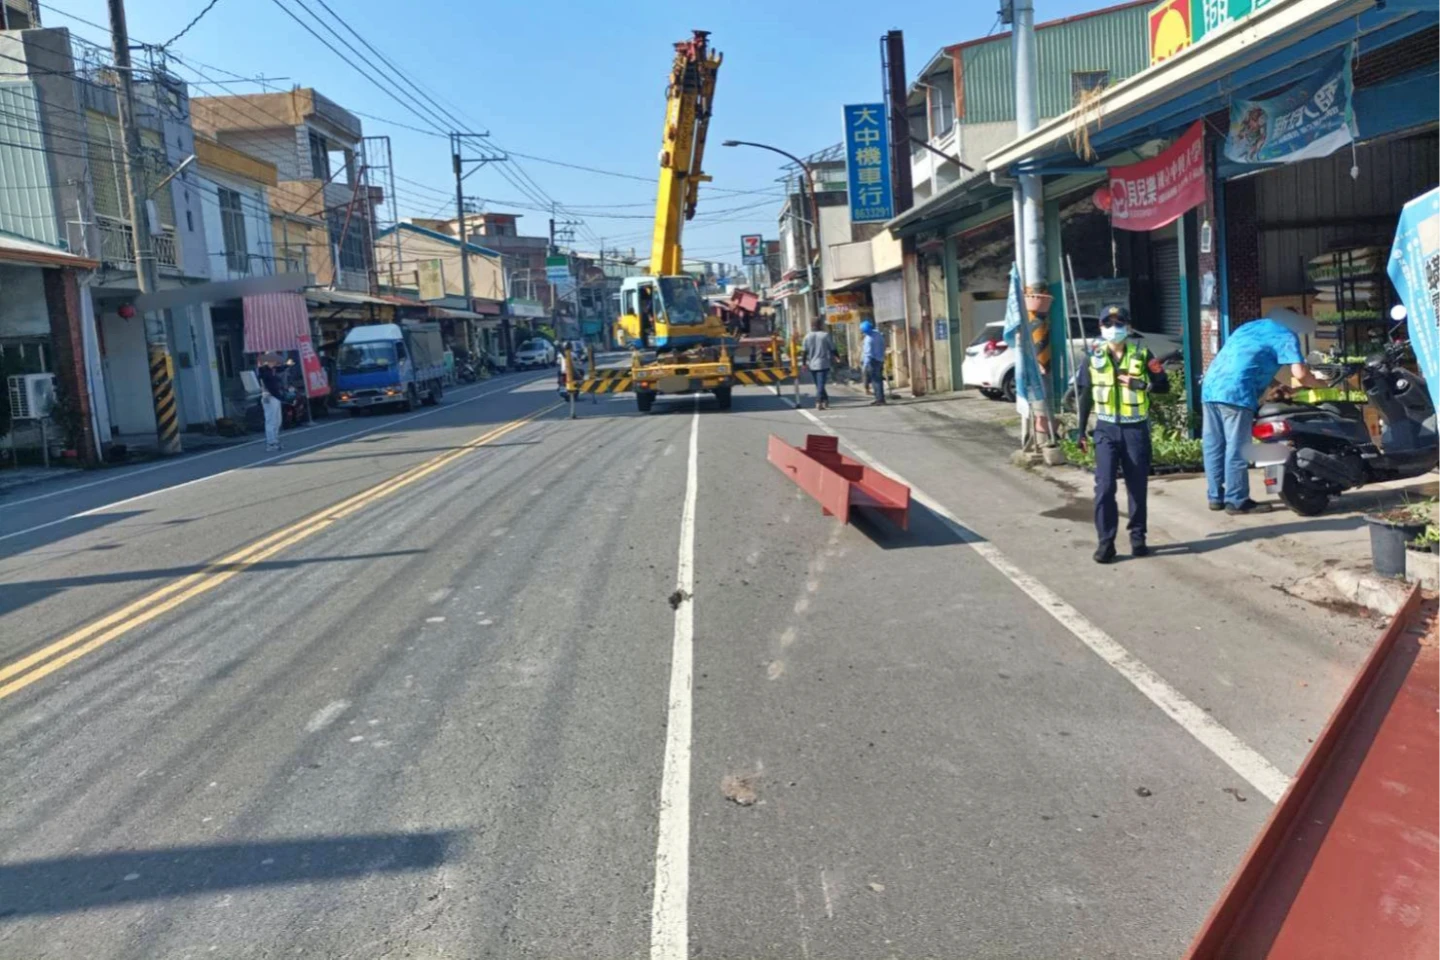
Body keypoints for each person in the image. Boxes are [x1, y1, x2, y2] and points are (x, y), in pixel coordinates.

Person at [1200, 311, 1327, 514]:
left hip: (1211, 388)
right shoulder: (1286, 333)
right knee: (1237, 447)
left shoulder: (1249, 327)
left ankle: (1215, 497)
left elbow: (1247, 363)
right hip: (1236, 393)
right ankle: (1237, 501)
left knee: (1214, 445)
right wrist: (1321, 385)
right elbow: (1301, 374)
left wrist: (1277, 385)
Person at [1075, 305, 1170, 564]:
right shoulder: (1092, 357)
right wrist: (1080, 430)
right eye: (1108, 324)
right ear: (1101, 327)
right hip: (1105, 429)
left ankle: (1138, 537)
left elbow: (1164, 386)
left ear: (1128, 327)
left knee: (1136, 487)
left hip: (1135, 430)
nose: (1113, 328)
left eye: (1119, 324)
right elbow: (1085, 395)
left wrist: (1142, 385)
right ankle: (1106, 543)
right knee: (1104, 487)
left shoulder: (1143, 354)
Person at [801, 317, 837, 409]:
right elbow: (832, 348)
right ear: (820, 325)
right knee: (820, 384)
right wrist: (837, 356)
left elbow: (804, 352)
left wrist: (804, 363)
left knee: (819, 384)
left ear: (811, 325)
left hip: (812, 364)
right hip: (823, 363)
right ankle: (819, 401)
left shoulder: (807, 337)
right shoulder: (825, 335)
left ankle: (825, 400)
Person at [257, 355, 286, 452]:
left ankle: (275, 440)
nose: (275, 362)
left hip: (275, 397)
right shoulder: (264, 371)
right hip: (268, 397)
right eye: (272, 360)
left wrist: (287, 365)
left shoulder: (272, 370)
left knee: (278, 420)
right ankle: (271, 443)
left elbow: (280, 368)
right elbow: (264, 378)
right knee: (271, 420)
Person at [860, 320, 886, 405]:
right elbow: (883, 346)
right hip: (880, 359)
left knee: (875, 381)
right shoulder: (878, 334)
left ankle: (879, 399)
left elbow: (868, 354)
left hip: (872, 361)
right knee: (879, 380)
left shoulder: (868, 339)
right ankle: (880, 398)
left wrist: (865, 365)